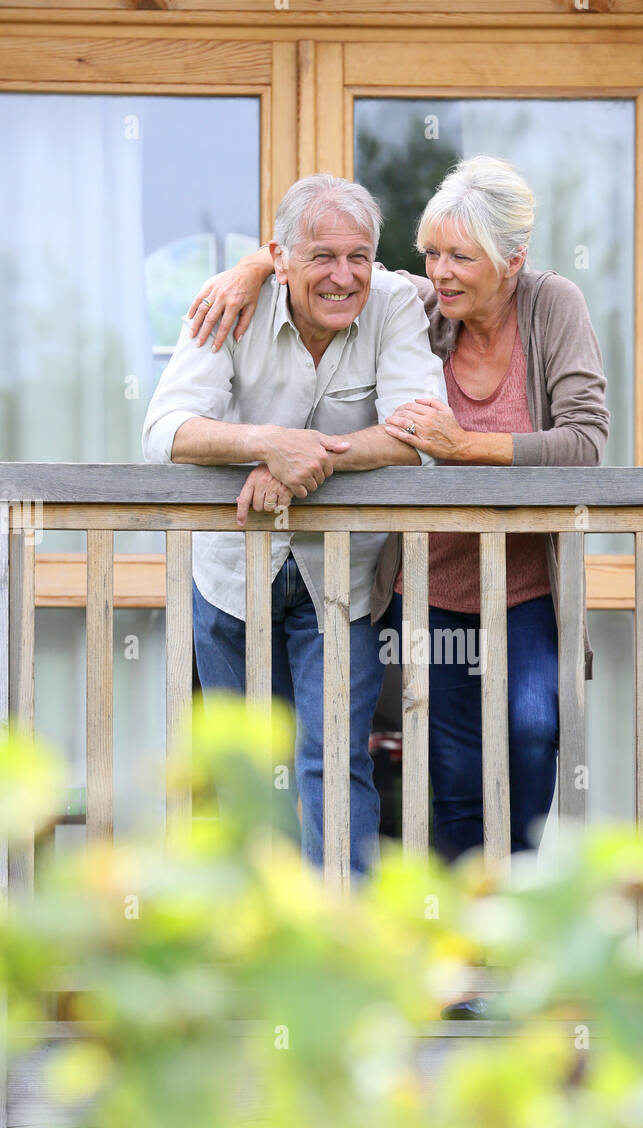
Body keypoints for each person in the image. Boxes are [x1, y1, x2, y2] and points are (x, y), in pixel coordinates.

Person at [187, 156, 609, 866]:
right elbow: (335, 272)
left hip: (526, 583)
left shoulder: (552, 305)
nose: (441, 271)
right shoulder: (420, 303)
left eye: (461, 257)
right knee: (447, 768)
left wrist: (467, 447)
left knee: (534, 731)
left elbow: (585, 443)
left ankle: (517, 908)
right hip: (427, 584)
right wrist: (251, 271)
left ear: (512, 261)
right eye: (433, 253)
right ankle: (461, 943)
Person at [143, 174, 446, 874]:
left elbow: (421, 434)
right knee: (254, 776)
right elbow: (164, 430)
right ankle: (262, 958)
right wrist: (264, 442)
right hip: (229, 572)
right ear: (279, 257)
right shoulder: (232, 300)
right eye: (323, 257)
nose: (344, 276)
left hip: (341, 575)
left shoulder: (395, 301)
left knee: (333, 760)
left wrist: (307, 461)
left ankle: (340, 952)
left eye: (359, 256)